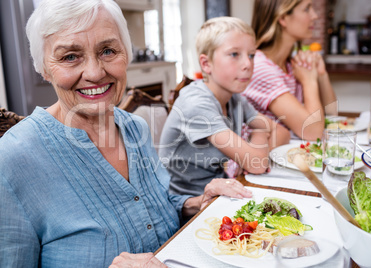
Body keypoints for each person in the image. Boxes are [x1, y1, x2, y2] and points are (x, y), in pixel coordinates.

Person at [0, 1, 252, 267]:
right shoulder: (13, 159)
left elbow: (158, 205)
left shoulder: (135, 127)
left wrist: (199, 202)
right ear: (44, 69)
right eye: (70, 57)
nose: (95, 72)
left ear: (126, 55)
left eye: (108, 50)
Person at [159, 17, 290, 197]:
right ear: (206, 64)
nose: (248, 64)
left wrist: (258, 140)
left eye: (251, 55)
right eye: (235, 54)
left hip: (223, 190)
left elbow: (283, 133)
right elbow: (257, 164)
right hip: (188, 204)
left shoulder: (235, 98)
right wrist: (260, 136)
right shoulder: (196, 103)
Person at [243, 0, 337, 141]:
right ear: (282, 18)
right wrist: (309, 81)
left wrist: (321, 74)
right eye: (307, 9)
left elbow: (332, 114)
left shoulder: (290, 65)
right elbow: (312, 132)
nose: (315, 16)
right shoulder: (260, 68)